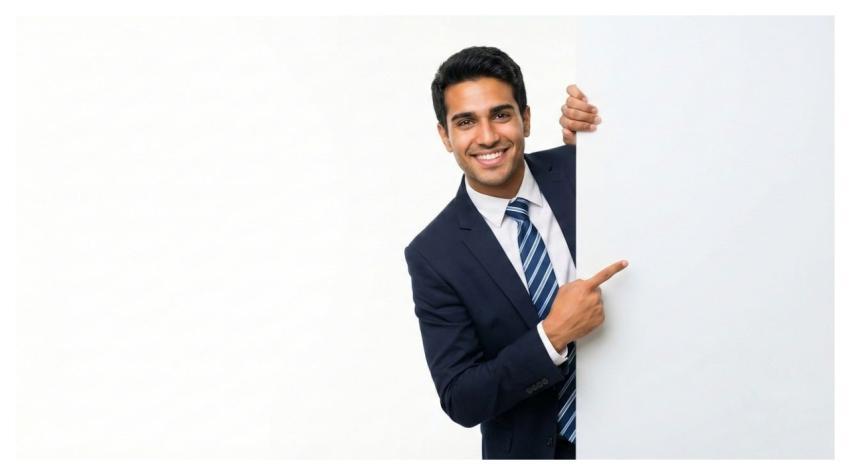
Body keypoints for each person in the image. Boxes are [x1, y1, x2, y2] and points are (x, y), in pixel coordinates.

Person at [403, 46, 628, 459]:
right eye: (466, 121)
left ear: (526, 118)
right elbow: (461, 397)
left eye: (501, 114)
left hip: (645, 432)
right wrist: (552, 336)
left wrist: (608, 126)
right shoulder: (434, 254)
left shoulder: (586, 169)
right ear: (444, 136)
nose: (487, 136)